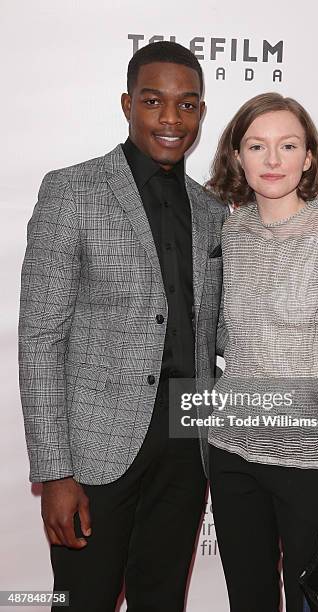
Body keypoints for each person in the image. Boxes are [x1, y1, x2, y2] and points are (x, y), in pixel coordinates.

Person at [18, 41, 227, 612]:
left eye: (187, 105)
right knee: (82, 599)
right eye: (154, 101)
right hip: (94, 448)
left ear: (201, 115)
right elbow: (40, 339)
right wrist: (54, 472)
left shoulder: (212, 211)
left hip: (188, 440)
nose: (170, 118)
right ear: (127, 104)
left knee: (162, 599)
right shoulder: (72, 191)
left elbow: (219, 329)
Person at [206, 92, 318, 612]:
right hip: (232, 453)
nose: (273, 160)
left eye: (288, 146)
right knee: (248, 600)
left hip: (312, 462)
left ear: (309, 157)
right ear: (238, 156)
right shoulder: (229, 232)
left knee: (315, 601)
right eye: (257, 146)